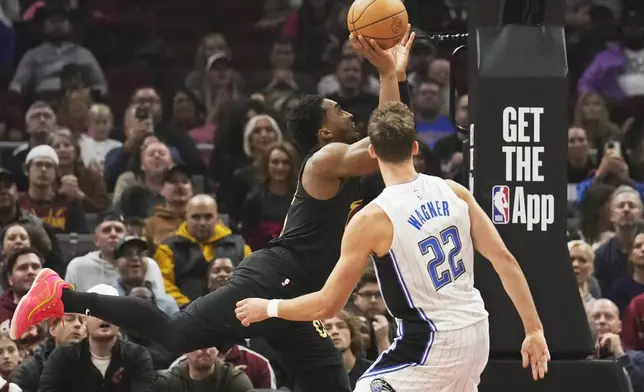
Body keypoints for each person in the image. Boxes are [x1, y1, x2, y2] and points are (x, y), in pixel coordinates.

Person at [9, 27, 416, 392]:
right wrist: (385, 74)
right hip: (273, 279)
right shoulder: (325, 160)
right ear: (325, 132)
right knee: (174, 334)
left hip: (297, 295)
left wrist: (398, 75)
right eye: (340, 111)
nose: (350, 114)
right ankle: (63, 295)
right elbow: (384, 140)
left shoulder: (352, 169)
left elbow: (398, 139)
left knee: (328, 374)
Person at [235, 101, 551, 392]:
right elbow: (504, 259)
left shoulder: (371, 219)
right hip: (477, 331)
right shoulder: (455, 191)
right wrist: (534, 328)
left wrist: (268, 307)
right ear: (414, 148)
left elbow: (327, 306)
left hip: (431, 339)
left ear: (371, 152)